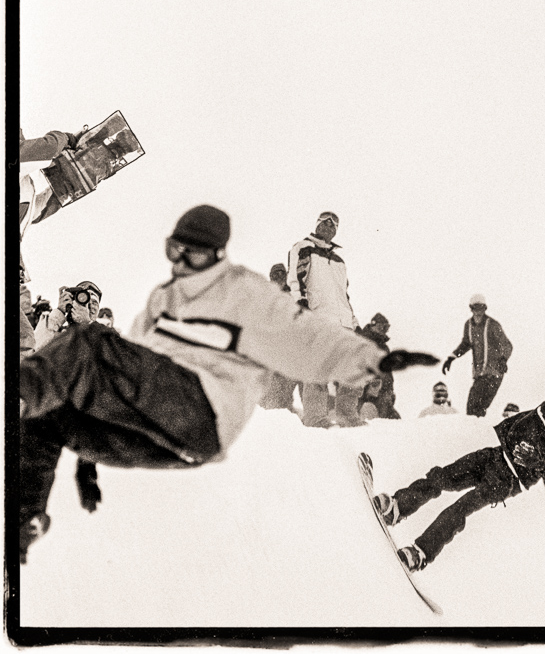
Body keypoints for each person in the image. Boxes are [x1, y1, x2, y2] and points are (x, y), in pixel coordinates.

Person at [19, 205, 430, 563]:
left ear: (217, 254)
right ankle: (22, 526)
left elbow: (306, 337)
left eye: (192, 254)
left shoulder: (242, 291)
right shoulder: (162, 300)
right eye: (174, 251)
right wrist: (87, 461)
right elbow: (117, 383)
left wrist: (373, 359)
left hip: (204, 409)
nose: (180, 262)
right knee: (46, 417)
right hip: (173, 440)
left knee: (88, 341)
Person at [372, 347, 545, 571]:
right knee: (443, 477)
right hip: (495, 455)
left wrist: (538, 464)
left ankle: (420, 553)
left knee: (461, 508)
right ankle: (398, 507)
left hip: (509, 481)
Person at [287, 211, 363, 427]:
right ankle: (315, 418)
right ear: (317, 225)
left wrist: (354, 323)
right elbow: (295, 279)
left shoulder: (339, 261)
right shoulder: (304, 247)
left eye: (333, 225)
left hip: (343, 323)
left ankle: (347, 416)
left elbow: (344, 295)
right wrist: (301, 305)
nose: (329, 227)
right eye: (325, 222)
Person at [19, 127, 78, 358]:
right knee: (22, 339)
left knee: (23, 338)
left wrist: (69, 185)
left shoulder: (23, 183)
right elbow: (47, 148)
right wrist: (67, 138)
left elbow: (37, 210)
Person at [442, 294, 513, 417]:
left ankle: (475, 427)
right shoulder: (469, 325)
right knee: (474, 409)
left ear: (485, 308)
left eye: (481, 308)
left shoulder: (492, 325)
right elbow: (466, 344)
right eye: (476, 308)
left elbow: (507, 345)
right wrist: (451, 357)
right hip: (479, 374)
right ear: (471, 309)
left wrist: (503, 359)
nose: (478, 312)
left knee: (475, 407)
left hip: (494, 373)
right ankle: (476, 428)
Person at [259, 265, 300, 411]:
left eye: (281, 274)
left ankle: (282, 412)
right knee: (272, 388)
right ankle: (273, 412)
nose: (278, 278)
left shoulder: (294, 296)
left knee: (284, 388)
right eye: (275, 275)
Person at [34, 281, 103, 350]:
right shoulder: (60, 334)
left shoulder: (104, 336)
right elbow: (35, 350)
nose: (89, 305)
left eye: (94, 302)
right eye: (84, 300)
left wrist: (86, 324)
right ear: (73, 303)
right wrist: (59, 312)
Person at [358, 314, 400, 420]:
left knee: (393, 420)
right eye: (381, 327)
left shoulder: (384, 348)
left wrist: (390, 391)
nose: (383, 331)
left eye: (386, 328)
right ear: (373, 326)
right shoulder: (362, 343)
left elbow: (388, 373)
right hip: (363, 395)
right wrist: (367, 388)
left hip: (382, 394)